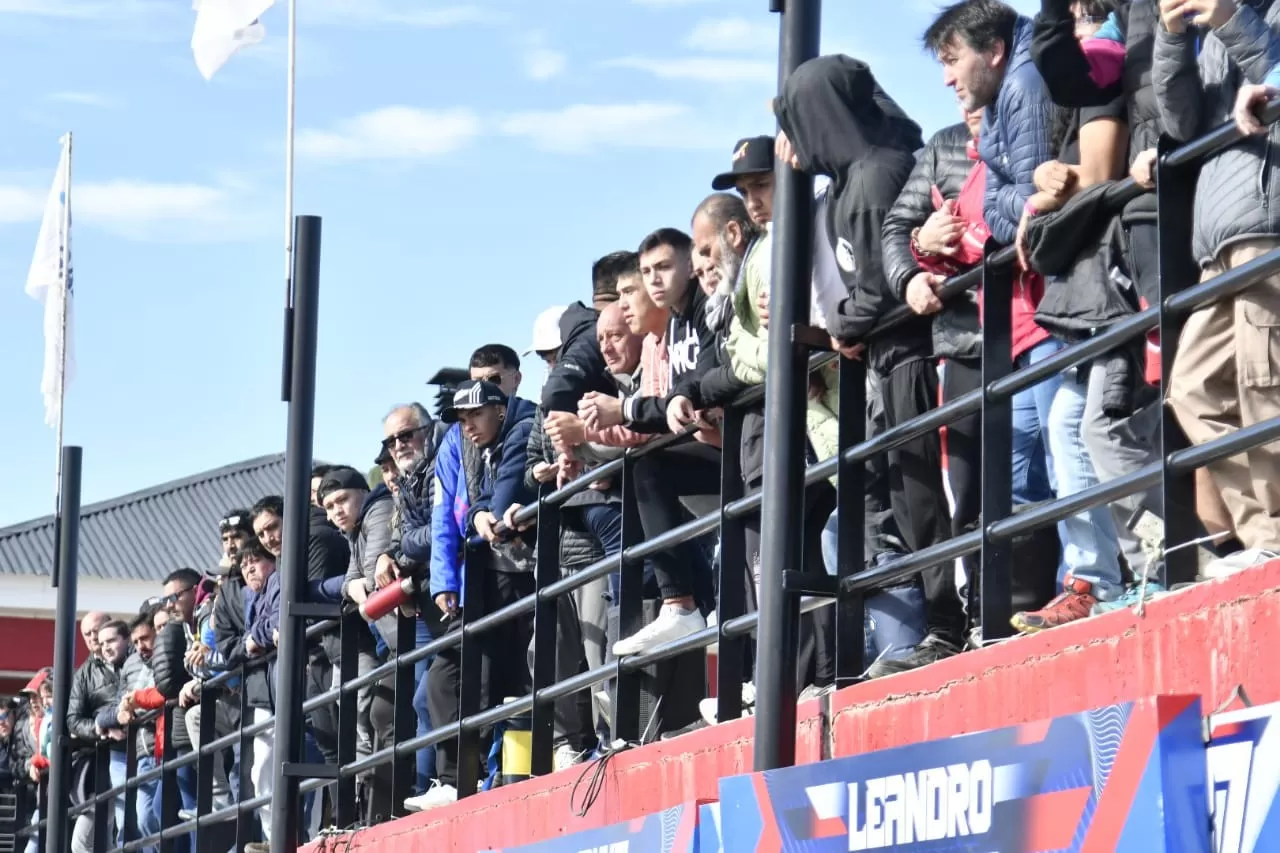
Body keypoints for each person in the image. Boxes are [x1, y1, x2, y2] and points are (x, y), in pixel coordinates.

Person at [414, 379, 537, 811]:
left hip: (518, 571)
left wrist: (487, 513)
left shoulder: (523, 425)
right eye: (461, 418)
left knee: (511, 681)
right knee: (443, 680)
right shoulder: (455, 444)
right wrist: (444, 580)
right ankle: (455, 778)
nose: (467, 426)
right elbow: (444, 513)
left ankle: (499, 772)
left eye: (475, 415)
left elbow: (503, 488)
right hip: (472, 579)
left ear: (500, 409)